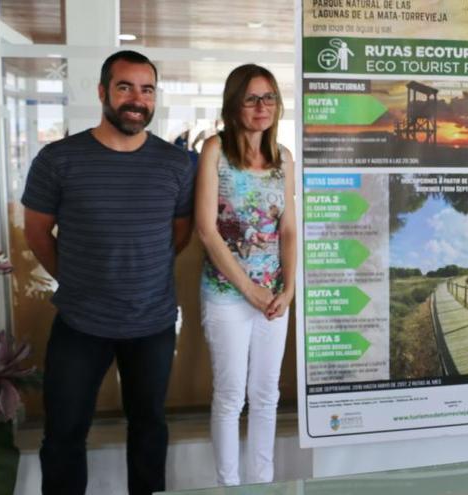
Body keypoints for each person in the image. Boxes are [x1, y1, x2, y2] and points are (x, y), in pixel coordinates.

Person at [22, 50, 195, 495]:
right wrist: (78, 277)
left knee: (149, 430)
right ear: (103, 92)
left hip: (152, 323)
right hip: (81, 323)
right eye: (125, 87)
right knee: (63, 434)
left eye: (147, 89)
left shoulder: (176, 165)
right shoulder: (58, 159)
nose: (137, 99)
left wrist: (140, 271)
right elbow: (38, 232)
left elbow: (178, 236)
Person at [195, 64, 296, 485]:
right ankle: (229, 486)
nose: (262, 106)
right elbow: (206, 228)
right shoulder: (215, 150)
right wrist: (247, 288)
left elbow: (288, 228)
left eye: (269, 97)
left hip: (273, 297)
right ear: (234, 104)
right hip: (227, 293)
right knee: (231, 396)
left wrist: (288, 287)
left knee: (266, 395)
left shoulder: (283, 158)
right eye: (252, 98)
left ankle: (262, 484)